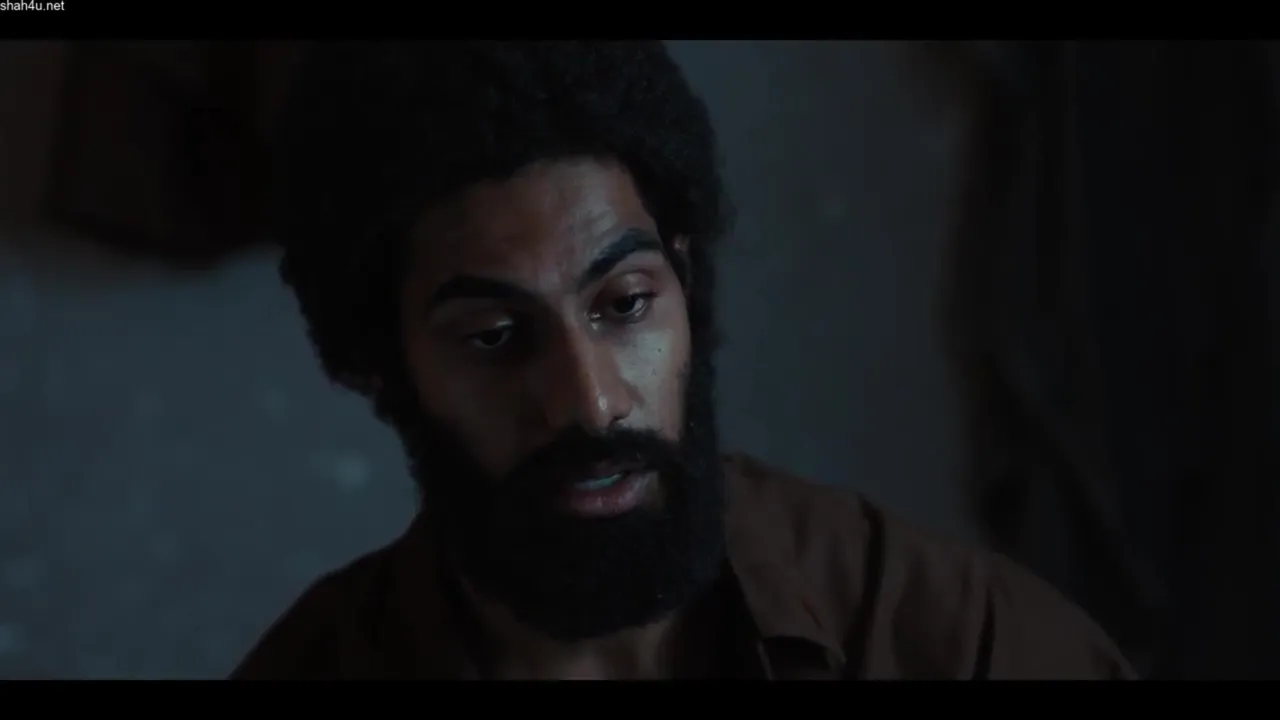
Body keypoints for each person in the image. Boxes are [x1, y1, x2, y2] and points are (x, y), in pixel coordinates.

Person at [232, 41, 1135, 680]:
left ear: (686, 281)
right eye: (495, 337)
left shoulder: (955, 642)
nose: (590, 403)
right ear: (379, 365)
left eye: (625, 305)